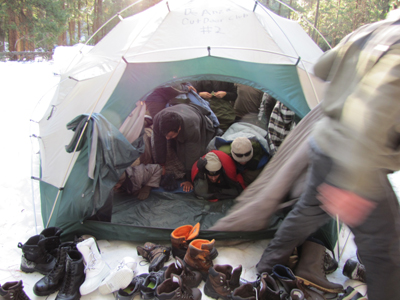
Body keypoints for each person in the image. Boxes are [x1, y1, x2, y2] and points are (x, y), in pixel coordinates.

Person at [255, 10, 400, 300]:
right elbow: (374, 115)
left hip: (324, 142)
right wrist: (353, 183)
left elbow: (321, 67)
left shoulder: (369, 31)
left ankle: (265, 271)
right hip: (358, 161)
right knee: (385, 250)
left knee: (307, 212)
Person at [152, 103, 217, 192]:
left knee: (184, 154)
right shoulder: (157, 119)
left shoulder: (191, 127)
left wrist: (189, 179)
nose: (167, 139)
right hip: (181, 109)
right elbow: (158, 143)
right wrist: (161, 164)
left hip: (195, 115)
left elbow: (192, 154)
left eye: (170, 136)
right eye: (165, 136)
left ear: (179, 128)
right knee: (156, 146)